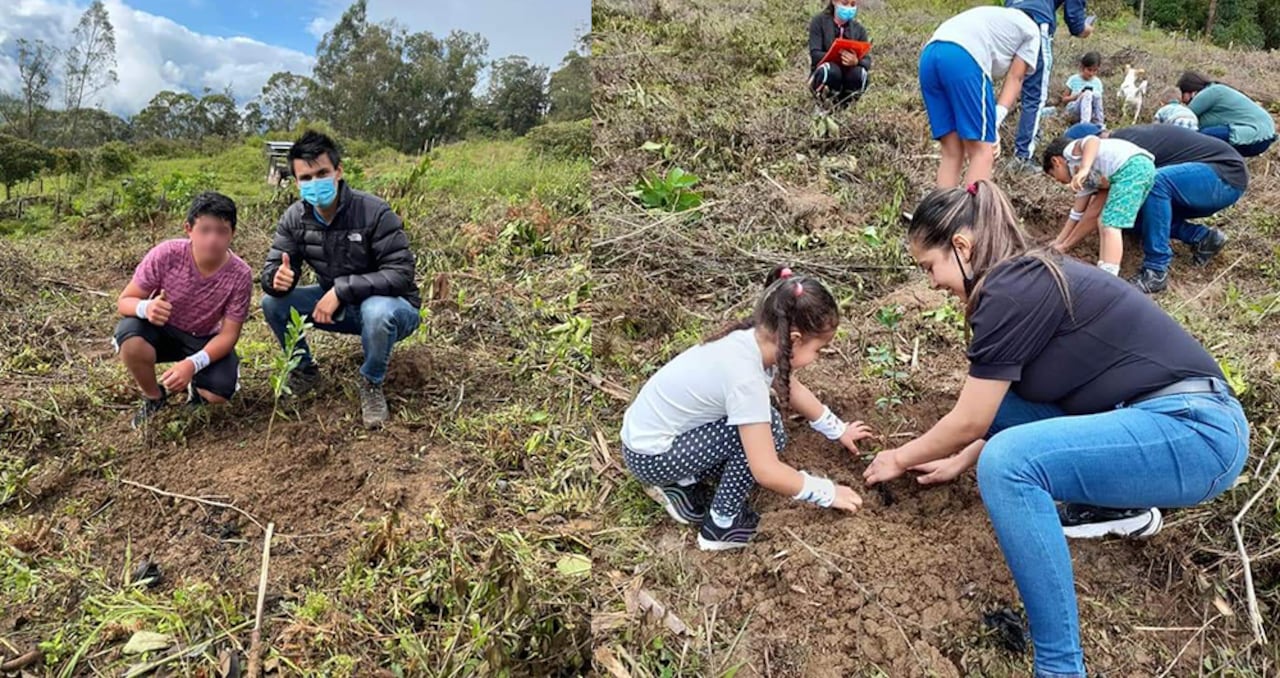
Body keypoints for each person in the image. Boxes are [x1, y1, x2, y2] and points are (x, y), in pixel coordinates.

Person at [864, 180, 1249, 678]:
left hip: (1195, 432)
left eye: (929, 267)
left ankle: (1060, 668)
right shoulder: (1026, 276)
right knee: (1003, 411)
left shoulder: (1008, 289)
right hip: (1151, 421)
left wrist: (899, 457)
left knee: (1009, 465)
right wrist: (960, 457)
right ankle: (1121, 507)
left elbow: (970, 420)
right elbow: (989, 412)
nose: (932, 282)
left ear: (961, 245)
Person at [620, 267, 873, 551]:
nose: (818, 356)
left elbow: (792, 388)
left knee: (767, 427)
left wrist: (838, 430)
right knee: (769, 432)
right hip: (653, 458)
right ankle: (721, 526)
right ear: (795, 339)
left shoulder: (752, 339)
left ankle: (684, 483)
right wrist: (827, 492)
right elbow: (766, 470)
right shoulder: (746, 380)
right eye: (819, 349)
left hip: (648, 443)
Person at [260, 130, 421, 429]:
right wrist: (275, 279)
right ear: (296, 183)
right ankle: (304, 371)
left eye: (322, 173)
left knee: (377, 311)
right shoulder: (295, 218)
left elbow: (400, 274)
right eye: (306, 177)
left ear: (338, 171)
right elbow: (274, 265)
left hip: (394, 309)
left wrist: (340, 290)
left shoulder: (373, 211)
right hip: (340, 309)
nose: (315, 183)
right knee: (272, 303)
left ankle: (371, 382)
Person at [113, 192, 252, 428]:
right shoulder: (167, 254)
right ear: (188, 229)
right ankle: (154, 397)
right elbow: (125, 301)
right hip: (162, 331)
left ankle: (197, 390)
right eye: (204, 230)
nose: (212, 239)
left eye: (221, 231)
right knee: (130, 335)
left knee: (219, 393)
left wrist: (192, 364)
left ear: (233, 233)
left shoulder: (240, 275)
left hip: (204, 338)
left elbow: (229, 334)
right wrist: (146, 307)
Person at [1053, 124, 1246, 293]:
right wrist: (1063, 245)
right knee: (1128, 214)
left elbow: (1096, 208)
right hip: (1201, 186)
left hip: (1223, 175)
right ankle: (1202, 237)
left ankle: (1156, 271)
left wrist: (1065, 245)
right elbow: (1098, 210)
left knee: (1156, 182)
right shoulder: (1109, 164)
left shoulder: (1124, 145)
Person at [919, 5, 1042, 188]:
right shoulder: (1032, 30)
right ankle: (974, 207)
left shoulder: (992, 15)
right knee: (982, 151)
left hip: (929, 56)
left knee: (952, 152)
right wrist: (996, 120)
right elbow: (1016, 77)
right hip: (963, 58)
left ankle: (942, 207)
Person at [1042, 133, 1155, 276]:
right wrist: (1060, 244)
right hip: (1126, 173)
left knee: (1110, 223)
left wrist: (1084, 169)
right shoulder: (1090, 179)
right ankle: (1104, 268)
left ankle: (1109, 275)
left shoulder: (1070, 153)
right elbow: (1080, 214)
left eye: (1053, 175)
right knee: (1103, 220)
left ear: (1056, 161)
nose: (1057, 181)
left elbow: (1092, 140)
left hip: (1132, 167)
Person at [1005, 0, 1093, 170]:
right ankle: (1022, 157)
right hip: (1037, 22)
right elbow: (1076, 25)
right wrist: (1087, 29)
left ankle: (982, 142)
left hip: (1008, 17)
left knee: (1009, 80)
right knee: (1034, 95)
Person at [1177, 71, 1277, 157]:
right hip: (1263, 136)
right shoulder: (1216, 93)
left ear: (1191, 91)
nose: (1181, 100)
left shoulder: (1211, 91)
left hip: (1255, 132)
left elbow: (1182, 117)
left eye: (1182, 95)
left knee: (1200, 138)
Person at [808, 0, 872, 107]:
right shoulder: (819, 22)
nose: (849, 8)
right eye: (845, 3)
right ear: (834, 1)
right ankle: (823, 103)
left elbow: (867, 60)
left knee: (859, 73)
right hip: (827, 73)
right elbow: (815, 54)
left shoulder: (859, 30)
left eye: (853, 4)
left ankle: (847, 105)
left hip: (848, 76)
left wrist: (856, 61)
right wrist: (837, 57)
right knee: (831, 70)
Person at [1061, 51, 1104, 125]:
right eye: (1089, 70)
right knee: (1087, 94)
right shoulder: (1073, 79)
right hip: (1074, 109)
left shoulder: (1098, 82)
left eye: (1095, 70)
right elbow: (1064, 99)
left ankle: (1099, 124)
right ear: (1082, 68)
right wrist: (1078, 96)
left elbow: (1098, 104)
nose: (1091, 73)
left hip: (1091, 111)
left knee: (1096, 96)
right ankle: (1084, 125)